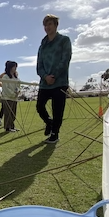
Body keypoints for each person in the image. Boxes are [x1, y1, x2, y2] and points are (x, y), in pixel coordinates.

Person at [36, 14, 72, 144]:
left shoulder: (64, 40)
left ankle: (55, 134)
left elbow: (65, 60)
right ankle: (49, 122)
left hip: (60, 81)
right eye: (45, 25)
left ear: (56, 25)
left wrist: (54, 76)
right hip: (45, 83)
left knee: (58, 109)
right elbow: (39, 66)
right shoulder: (42, 46)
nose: (47, 27)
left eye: (50, 24)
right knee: (40, 106)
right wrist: (45, 76)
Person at [0, 61, 20, 132]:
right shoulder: (5, 76)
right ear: (10, 67)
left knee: (13, 113)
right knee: (8, 113)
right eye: (14, 67)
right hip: (7, 98)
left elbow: (18, 85)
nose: (15, 68)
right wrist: (13, 94)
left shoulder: (15, 77)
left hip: (14, 98)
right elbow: (6, 88)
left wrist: (17, 91)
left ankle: (12, 126)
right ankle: (7, 127)